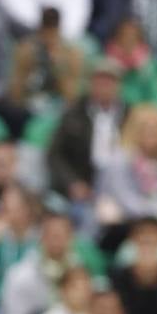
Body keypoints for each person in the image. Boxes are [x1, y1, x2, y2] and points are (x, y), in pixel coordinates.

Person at [95, 103, 157, 247]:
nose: (152, 132)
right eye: (146, 127)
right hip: (126, 226)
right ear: (134, 130)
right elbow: (126, 200)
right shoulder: (119, 160)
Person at [46, 57, 125, 212]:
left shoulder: (129, 115)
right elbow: (55, 154)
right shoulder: (73, 113)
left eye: (109, 82)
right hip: (82, 184)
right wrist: (72, 183)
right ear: (91, 84)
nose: (104, 87)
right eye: (100, 81)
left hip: (119, 187)